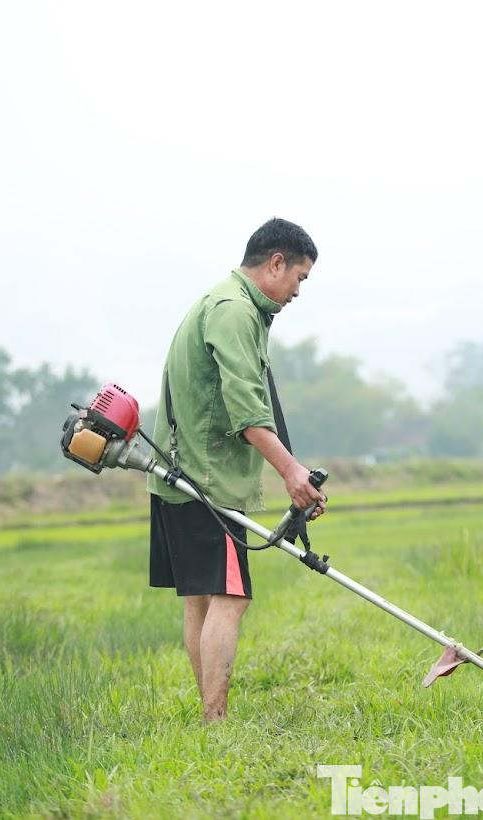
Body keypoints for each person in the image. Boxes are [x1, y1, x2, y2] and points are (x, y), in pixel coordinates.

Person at [147, 217, 326, 722]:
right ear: (275, 263)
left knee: (202, 600)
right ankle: (215, 719)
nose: (297, 291)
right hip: (207, 482)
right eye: (299, 278)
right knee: (230, 597)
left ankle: (210, 715)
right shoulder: (233, 311)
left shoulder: (224, 302)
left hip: (181, 474)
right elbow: (247, 408)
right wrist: (292, 473)